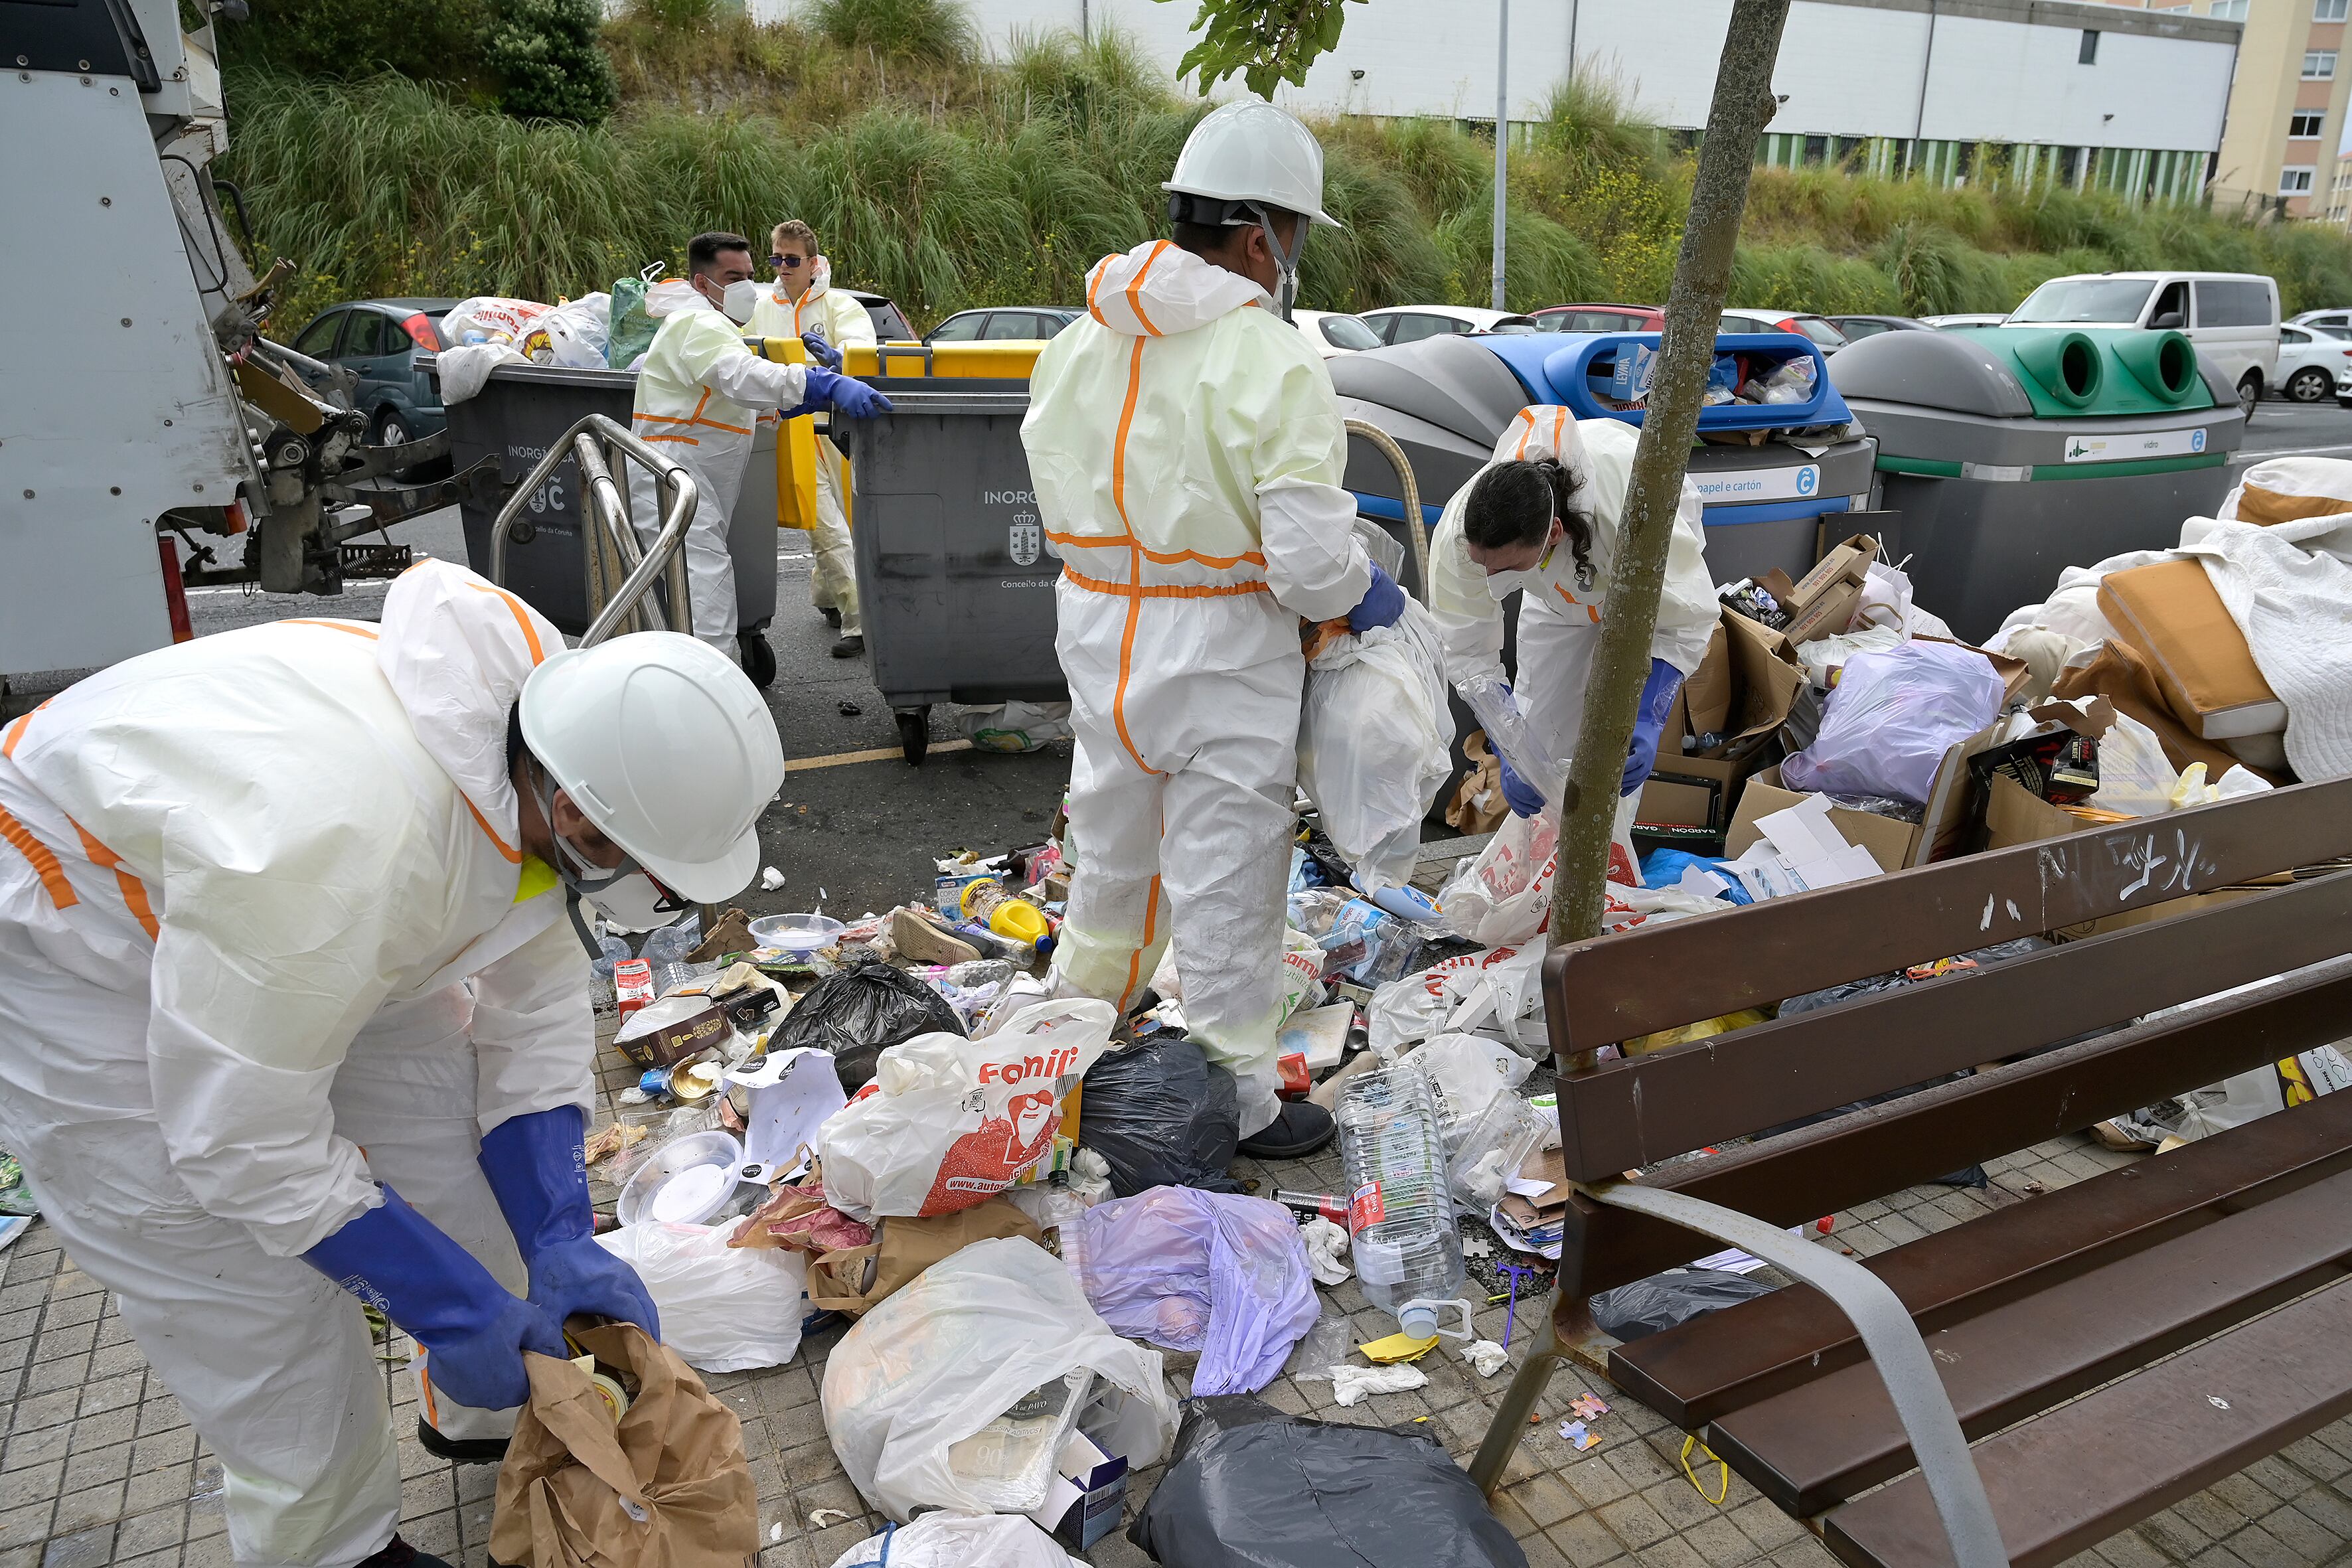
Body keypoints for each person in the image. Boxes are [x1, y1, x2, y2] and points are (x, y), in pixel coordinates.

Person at [0, 558, 787, 1568]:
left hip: (289, 909)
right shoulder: (349, 846)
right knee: (237, 1273)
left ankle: (495, 1405)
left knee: (453, 1138)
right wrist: (441, 1302)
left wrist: (552, 1230)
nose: (644, 888)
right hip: (76, 920)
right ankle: (331, 1547)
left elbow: (530, 992)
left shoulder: (557, 743)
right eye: (637, 866)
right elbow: (242, 1140)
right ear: (581, 815)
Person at [1022, 101, 1401, 1160]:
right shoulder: (1269, 358)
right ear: (1256, 237)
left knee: (1110, 851)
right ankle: (1242, 1102)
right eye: (1291, 242)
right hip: (1223, 646)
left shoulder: (1076, 341)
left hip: (1101, 631)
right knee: (1227, 876)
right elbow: (1310, 563)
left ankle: (1064, 1055)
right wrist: (1361, 587)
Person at [1427, 405, 1718, 817]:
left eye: (1505, 566)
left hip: (1639, 597)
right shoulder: (1460, 537)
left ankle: (1602, 854)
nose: (1489, 575)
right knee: (1541, 739)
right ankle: (1548, 862)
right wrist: (1511, 748)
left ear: (1554, 536)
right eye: (1483, 563)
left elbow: (1685, 619)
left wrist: (1650, 716)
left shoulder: (1631, 508)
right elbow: (1466, 651)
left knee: (1618, 745)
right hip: (1554, 601)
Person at [630, 230, 892, 666]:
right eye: (733, 276)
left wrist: (787, 408)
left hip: (681, 477)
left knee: (688, 598)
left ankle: (690, 694)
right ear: (700, 283)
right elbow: (740, 375)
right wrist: (816, 382)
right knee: (706, 603)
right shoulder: (699, 323)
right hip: (675, 481)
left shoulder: (704, 326)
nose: (747, 287)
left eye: (750, 275)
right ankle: (713, 708)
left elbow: (720, 402)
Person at [747, 219, 878, 659]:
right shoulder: (764, 307)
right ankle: (860, 620)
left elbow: (863, 354)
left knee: (850, 516)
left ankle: (828, 596)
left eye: (791, 259)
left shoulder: (840, 308)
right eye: (776, 258)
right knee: (822, 519)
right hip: (789, 424)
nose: (783, 268)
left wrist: (843, 363)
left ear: (813, 262)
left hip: (837, 421)